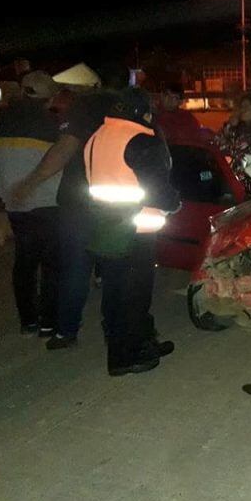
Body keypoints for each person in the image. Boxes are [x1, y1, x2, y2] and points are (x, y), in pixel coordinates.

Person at [11, 62, 130, 350]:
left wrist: (32, 181)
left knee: (76, 267)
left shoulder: (84, 106)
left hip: (79, 200)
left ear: (99, 81)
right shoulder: (132, 107)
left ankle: (66, 332)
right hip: (119, 201)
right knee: (116, 268)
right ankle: (115, 331)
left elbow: (65, 148)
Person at [84, 88, 180, 376]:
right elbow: (159, 191)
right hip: (137, 229)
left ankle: (136, 343)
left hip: (106, 226)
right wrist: (175, 204)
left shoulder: (96, 137)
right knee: (135, 293)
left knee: (115, 292)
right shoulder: (141, 140)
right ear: (143, 113)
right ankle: (128, 354)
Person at [0, 71, 61, 337]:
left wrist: (7, 195)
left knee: (25, 263)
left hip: (16, 205)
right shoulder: (50, 124)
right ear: (48, 97)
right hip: (47, 203)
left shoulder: (0, 123)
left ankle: (28, 321)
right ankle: (49, 322)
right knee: (52, 265)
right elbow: (58, 165)